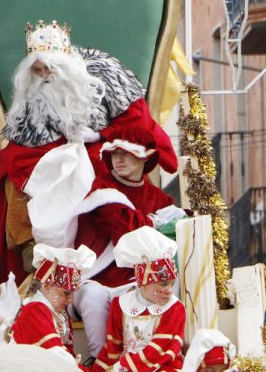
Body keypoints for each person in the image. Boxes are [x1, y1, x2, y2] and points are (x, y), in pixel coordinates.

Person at [0, 20, 178, 282]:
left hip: (106, 151)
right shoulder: (31, 100)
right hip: (55, 159)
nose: (44, 76)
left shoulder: (104, 72)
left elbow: (138, 123)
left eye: (48, 69)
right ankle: (39, 254)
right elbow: (23, 150)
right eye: (37, 71)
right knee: (9, 173)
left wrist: (101, 135)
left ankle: (101, 255)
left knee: (96, 174)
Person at [72, 127, 180, 359]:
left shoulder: (159, 198)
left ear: (144, 156)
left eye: (126, 153)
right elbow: (126, 230)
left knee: (162, 293)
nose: (118, 159)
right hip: (95, 279)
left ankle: (148, 359)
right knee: (94, 297)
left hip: (134, 282)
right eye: (113, 153)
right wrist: (156, 222)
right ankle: (99, 361)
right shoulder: (102, 188)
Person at [91, 226, 186, 372]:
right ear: (143, 282)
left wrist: (122, 366)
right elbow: (112, 348)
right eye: (163, 284)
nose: (169, 291)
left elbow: (160, 349)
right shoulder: (120, 305)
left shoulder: (175, 308)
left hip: (163, 366)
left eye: (172, 284)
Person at [10, 243, 96, 369]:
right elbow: (56, 355)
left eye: (72, 294)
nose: (71, 300)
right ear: (46, 286)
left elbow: (66, 353)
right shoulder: (35, 309)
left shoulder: (60, 314)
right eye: (66, 293)